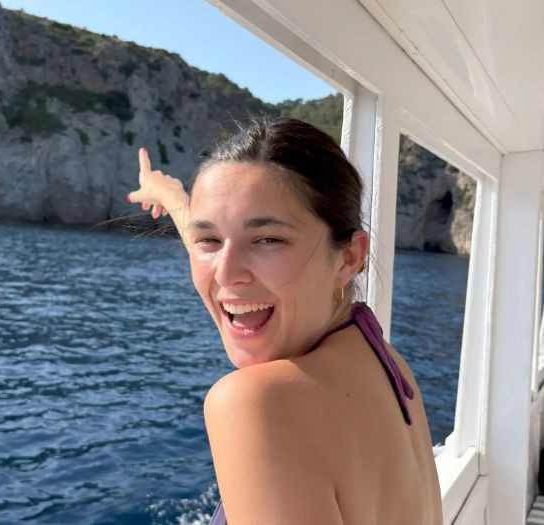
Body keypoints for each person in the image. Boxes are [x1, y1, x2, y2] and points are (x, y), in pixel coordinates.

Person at [126, 117, 443, 524]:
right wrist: (170, 195)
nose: (226, 273)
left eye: (268, 240)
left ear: (349, 257)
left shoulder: (257, 404)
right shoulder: (386, 365)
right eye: (210, 240)